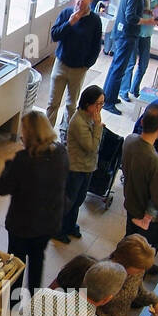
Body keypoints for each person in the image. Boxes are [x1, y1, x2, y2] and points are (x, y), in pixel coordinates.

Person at [0, 110, 68, 290]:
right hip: (48, 222)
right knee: (37, 259)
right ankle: (34, 300)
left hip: (22, 224)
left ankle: (13, 305)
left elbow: (2, 188)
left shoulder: (24, 160)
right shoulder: (60, 152)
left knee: (16, 264)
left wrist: (8, 166)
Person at [102, 0, 158, 114]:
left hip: (123, 33)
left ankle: (109, 96)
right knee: (119, 68)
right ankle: (107, 102)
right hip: (127, 34)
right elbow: (131, 17)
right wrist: (149, 21)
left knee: (116, 66)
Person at [47, 0, 104, 133]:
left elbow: (96, 47)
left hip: (79, 69)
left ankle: (66, 133)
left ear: (91, 0)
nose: (82, 0)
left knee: (71, 105)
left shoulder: (95, 21)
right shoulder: (66, 14)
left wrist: (86, 65)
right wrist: (70, 23)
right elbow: (55, 35)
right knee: (53, 102)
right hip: (61, 64)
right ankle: (46, 135)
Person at [95, 235, 158, 316]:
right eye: (139, 268)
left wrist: (156, 302)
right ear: (123, 262)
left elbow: (138, 291)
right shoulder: (100, 274)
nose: (142, 271)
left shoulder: (136, 272)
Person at [56, 86, 104, 244]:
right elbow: (91, 147)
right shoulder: (78, 121)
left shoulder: (90, 116)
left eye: (102, 104)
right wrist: (98, 127)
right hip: (75, 168)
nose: (100, 108)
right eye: (98, 104)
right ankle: (58, 229)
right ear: (88, 103)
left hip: (87, 167)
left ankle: (70, 226)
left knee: (79, 199)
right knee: (69, 201)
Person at [122, 103, 158, 262]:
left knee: (130, 240)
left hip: (131, 203)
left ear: (142, 122)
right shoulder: (155, 162)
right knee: (140, 253)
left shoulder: (129, 140)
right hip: (145, 214)